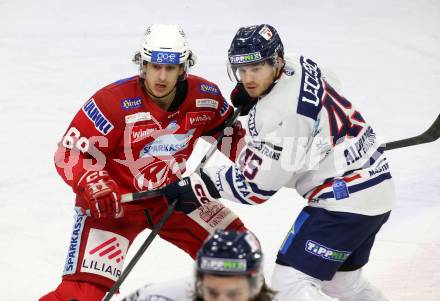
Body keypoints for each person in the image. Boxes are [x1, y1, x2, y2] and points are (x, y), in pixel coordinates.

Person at [162, 24, 395, 300]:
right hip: (377, 185)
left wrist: (201, 184)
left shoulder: (276, 115)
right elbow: (332, 82)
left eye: (256, 69)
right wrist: (257, 93)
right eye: (242, 70)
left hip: (344, 201)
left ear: (277, 62)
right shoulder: (299, 63)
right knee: (342, 284)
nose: (247, 77)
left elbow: (257, 188)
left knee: (289, 285)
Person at [39, 24, 247, 301]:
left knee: (238, 257)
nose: (161, 76)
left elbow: (229, 135)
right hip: (114, 206)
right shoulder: (111, 102)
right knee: (82, 293)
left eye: (170, 68)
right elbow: (69, 153)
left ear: (183, 68)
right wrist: (92, 181)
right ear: (143, 65)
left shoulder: (205, 96)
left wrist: (256, 162)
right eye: (154, 66)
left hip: (173, 196)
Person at [121, 229, 276, 301]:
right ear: (199, 285)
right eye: (213, 293)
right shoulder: (159, 297)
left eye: (233, 295)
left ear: (255, 289)